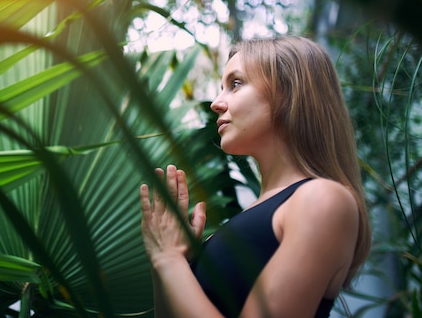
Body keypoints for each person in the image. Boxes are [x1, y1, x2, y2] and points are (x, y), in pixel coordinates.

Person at [139, 36, 371, 317]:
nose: (216, 103)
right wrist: (165, 258)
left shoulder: (323, 199)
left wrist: (169, 260)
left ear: (288, 92)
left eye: (235, 84)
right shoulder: (242, 222)